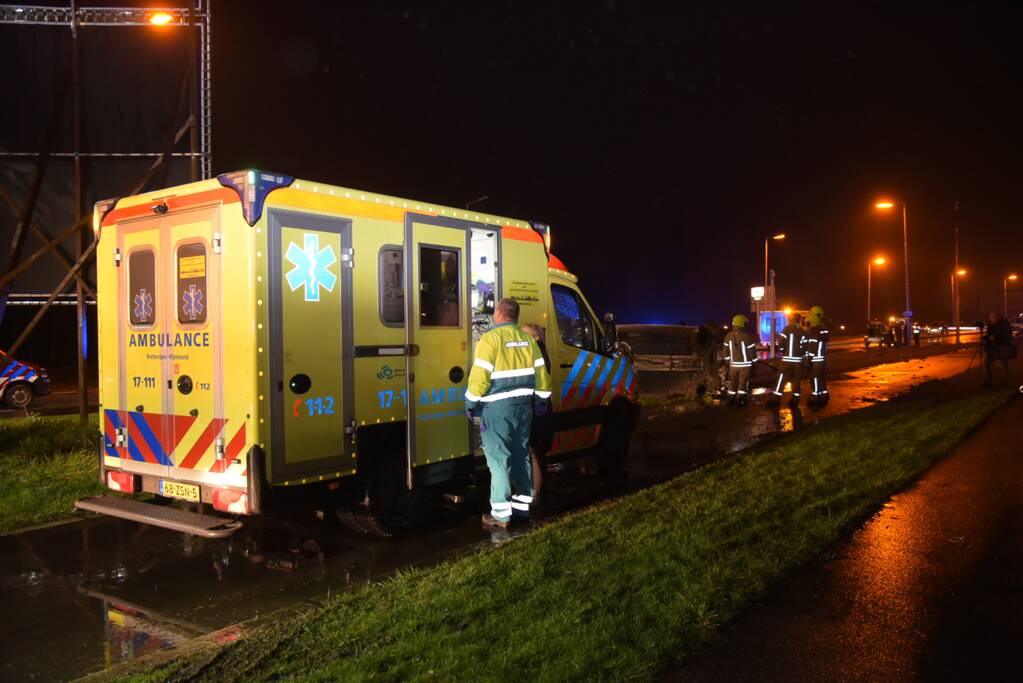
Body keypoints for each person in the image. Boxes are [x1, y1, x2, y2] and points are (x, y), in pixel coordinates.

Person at [466, 298, 552, 529]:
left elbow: (479, 377)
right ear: (515, 316)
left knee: (498, 460)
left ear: (498, 314)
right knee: (520, 455)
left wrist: (470, 402)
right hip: (523, 409)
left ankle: (501, 515)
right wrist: (541, 401)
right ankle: (522, 509)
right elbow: (542, 375)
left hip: (496, 410)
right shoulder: (528, 340)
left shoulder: (490, 339)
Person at [520, 323, 553, 498]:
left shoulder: (536, 353)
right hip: (538, 408)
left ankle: (536, 494)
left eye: (525, 335)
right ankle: (535, 492)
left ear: (537, 337)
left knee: (535, 452)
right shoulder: (538, 351)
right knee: (535, 451)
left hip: (537, 409)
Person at [768, 312, 806, 407]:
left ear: (791, 319)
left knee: (781, 379)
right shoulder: (802, 331)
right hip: (798, 361)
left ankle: (776, 399)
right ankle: (795, 399)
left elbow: (780, 344)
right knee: (796, 380)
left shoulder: (787, 329)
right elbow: (805, 346)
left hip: (787, 360)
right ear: (799, 320)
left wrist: (782, 350)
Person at [722, 314, 757, 406]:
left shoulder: (728, 336)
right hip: (745, 366)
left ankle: (730, 399)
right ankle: (741, 399)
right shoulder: (747, 336)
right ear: (742, 323)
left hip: (733, 365)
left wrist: (727, 361)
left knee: (732, 382)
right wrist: (755, 362)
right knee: (743, 382)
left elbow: (725, 351)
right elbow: (752, 352)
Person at [804, 305, 830, 406]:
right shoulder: (823, 329)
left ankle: (815, 397)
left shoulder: (814, 331)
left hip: (815, 359)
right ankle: (824, 394)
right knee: (821, 378)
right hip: (822, 359)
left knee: (814, 378)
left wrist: (809, 359)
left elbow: (812, 346)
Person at [982, 311, 1015, 388]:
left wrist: (996, 337)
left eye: (992, 316)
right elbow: (989, 336)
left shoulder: (1004, 323)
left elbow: (1007, 334)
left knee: (1004, 366)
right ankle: (988, 381)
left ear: (997, 316)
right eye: (990, 316)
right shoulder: (991, 325)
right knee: (986, 363)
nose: (991, 318)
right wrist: (985, 338)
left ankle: (1005, 382)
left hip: (1003, 348)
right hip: (994, 348)